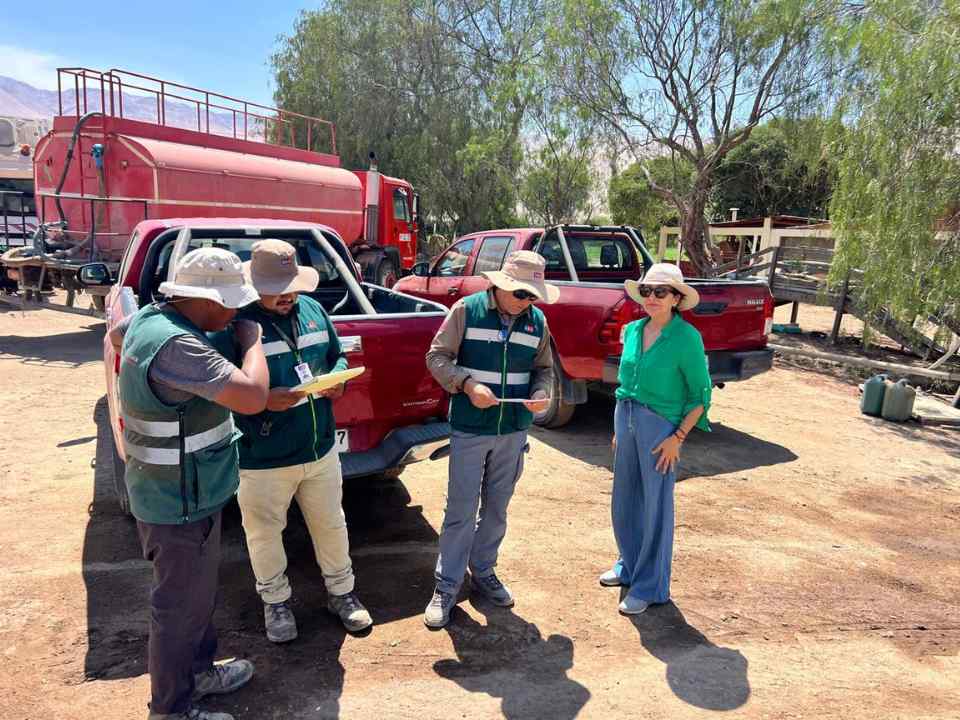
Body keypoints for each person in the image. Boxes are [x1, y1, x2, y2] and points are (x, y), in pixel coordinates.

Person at [112, 247, 270, 720]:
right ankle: (172, 709)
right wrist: (253, 342)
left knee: (196, 600)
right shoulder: (179, 344)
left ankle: (198, 673)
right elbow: (253, 397)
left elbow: (120, 337)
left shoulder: (149, 320)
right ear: (201, 299)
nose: (237, 312)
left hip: (182, 492)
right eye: (230, 303)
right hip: (178, 501)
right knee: (178, 610)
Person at [212, 239, 372, 642]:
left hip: (319, 447)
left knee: (331, 523)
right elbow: (219, 386)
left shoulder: (314, 310)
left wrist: (335, 379)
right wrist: (264, 401)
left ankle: (343, 594)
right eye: (275, 287)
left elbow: (336, 355)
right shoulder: (234, 324)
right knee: (264, 532)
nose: (286, 295)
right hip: (262, 455)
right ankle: (276, 602)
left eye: (290, 285)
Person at [423, 250, 558, 628]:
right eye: (521, 293)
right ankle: (447, 585)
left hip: (513, 431)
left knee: (497, 508)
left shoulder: (537, 322)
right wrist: (467, 384)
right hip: (470, 429)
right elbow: (436, 357)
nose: (527, 301)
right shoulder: (466, 311)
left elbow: (544, 369)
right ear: (499, 285)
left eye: (533, 295)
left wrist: (542, 391)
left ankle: (484, 571)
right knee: (460, 511)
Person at [600, 262, 712, 615]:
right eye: (647, 291)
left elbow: (700, 396)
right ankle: (629, 564)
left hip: (661, 427)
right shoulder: (633, 330)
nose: (651, 298)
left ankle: (650, 585)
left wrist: (677, 437)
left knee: (655, 507)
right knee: (624, 500)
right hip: (627, 417)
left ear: (677, 298)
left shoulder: (686, 338)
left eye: (660, 292)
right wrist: (620, 428)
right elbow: (624, 385)